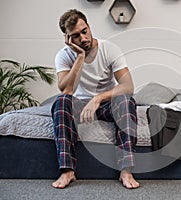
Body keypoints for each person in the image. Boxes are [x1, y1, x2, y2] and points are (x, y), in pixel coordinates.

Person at [51, 9, 139, 189]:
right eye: (75, 36)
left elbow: (128, 86)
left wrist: (98, 98)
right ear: (67, 39)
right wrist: (80, 57)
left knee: (126, 100)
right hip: (80, 105)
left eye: (84, 31)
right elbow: (67, 90)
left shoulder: (109, 49)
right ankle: (67, 171)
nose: (83, 38)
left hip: (106, 103)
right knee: (61, 102)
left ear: (89, 27)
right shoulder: (64, 56)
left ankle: (126, 170)